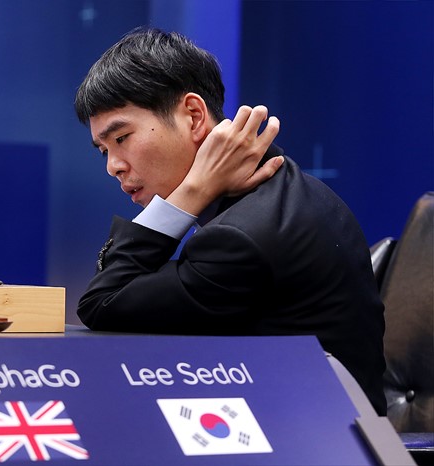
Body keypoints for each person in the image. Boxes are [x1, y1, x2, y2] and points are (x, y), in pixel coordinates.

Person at [74, 28, 386, 415]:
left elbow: (103, 303)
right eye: (103, 150)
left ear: (193, 116)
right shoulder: (283, 189)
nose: (113, 166)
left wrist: (192, 191)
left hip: (318, 438)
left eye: (121, 138)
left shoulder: (241, 237)